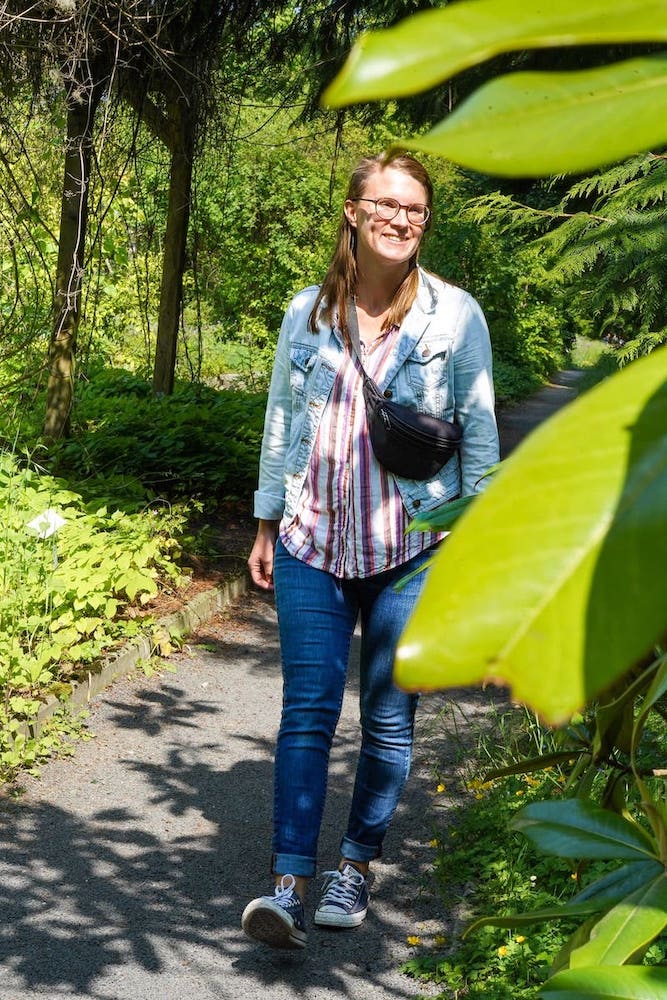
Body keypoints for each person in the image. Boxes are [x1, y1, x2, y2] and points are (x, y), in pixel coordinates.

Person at [241, 151, 499, 950]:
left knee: (389, 720)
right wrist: (264, 521)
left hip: (410, 547)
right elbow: (282, 423)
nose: (400, 219)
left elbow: (479, 432)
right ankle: (287, 885)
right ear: (352, 211)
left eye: (414, 209)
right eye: (385, 203)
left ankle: (355, 863)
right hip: (311, 542)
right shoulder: (306, 314)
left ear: (424, 223)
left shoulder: (454, 316)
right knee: (306, 714)